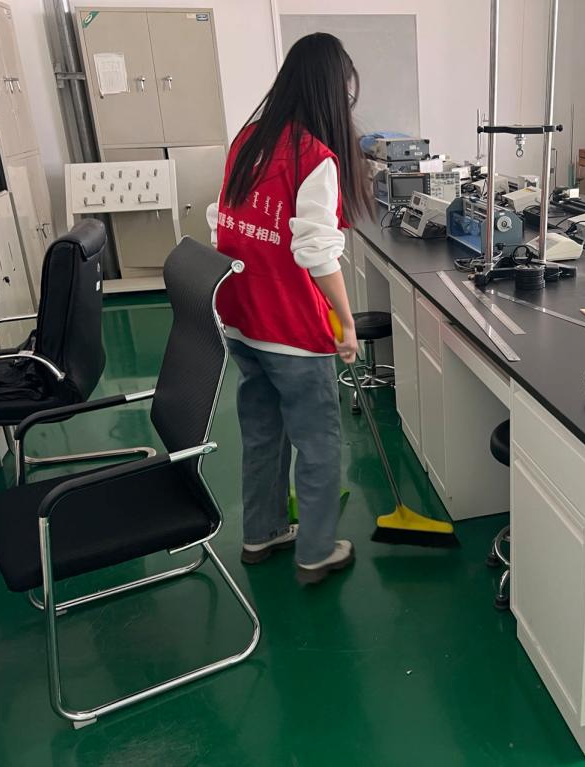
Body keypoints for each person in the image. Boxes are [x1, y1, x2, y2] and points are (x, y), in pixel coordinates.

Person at [214, 32, 370, 584]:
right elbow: (317, 252)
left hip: (241, 319)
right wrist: (346, 323)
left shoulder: (248, 139)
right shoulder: (315, 157)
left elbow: (225, 222)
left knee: (263, 432)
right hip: (289, 328)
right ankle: (317, 551)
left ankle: (261, 532)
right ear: (332, 90)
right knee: (318, 441)